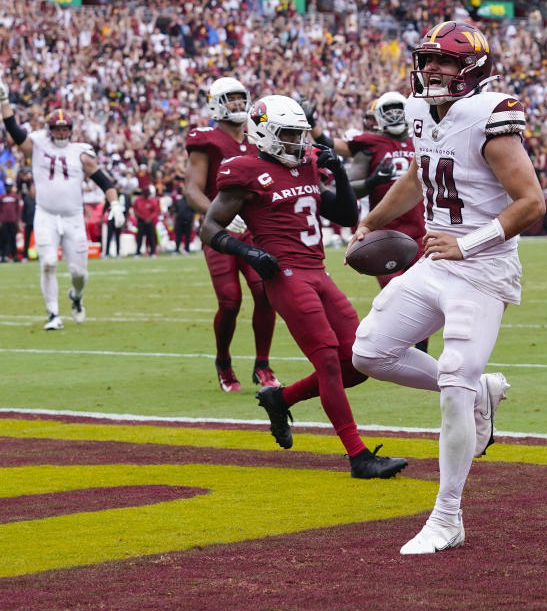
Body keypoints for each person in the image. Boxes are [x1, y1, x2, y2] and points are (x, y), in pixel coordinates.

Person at [347, 21, 546, 553]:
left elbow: (532, 203)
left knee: (454, 385)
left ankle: (447, 517)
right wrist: (374, 218)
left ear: (473, 68)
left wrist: (467, 244)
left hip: (481, 268)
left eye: (446, 62)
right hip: (437, 261)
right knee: (369, 352)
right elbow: (419, 173)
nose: (432, 69)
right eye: (427, 59)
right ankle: (480, 390)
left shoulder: (490, 113)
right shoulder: (418, 109)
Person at [199, 94, 408, 480]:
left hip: (319, 272)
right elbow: (209, 228)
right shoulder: (244, 171)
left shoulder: (308, 164)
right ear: (263, 134)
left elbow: (345, 215)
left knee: (358, 362)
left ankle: (280, 399)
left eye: (300, 135)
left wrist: (341, 174)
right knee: (328, 360)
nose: (298, 143)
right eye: (288, 135)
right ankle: (358, 455)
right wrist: (249, 252)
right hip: (286, 276)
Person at [0, 79, 125, 330]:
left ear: (71, 130)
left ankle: (76, 297)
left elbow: (105, 182)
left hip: (73, 218)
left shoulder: (80, 152)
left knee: (79, 274)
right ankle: (53, 314)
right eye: (57, 129)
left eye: (65, 129)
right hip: (46, 214)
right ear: (50, 129)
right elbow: (15, 131)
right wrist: (5, 101)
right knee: (49, 262)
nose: (61, 133)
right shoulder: (38, 144)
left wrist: (115, 205)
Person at [305, 90, 429, 351]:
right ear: (378, 118)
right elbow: (345, 183)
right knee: (397, 296)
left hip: (422, 233)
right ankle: (389, 348)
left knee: (424, 300)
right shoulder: (371, 145)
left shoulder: (423, 140)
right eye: (389, 110)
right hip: (385, 237)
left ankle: (419, 355)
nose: (395, 115)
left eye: (399, 109)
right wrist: (373, 182)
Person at [185, 77, 279, 392]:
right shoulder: (205, 139)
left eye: (242, 99)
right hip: (221, 232)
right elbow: (191, 189)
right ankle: (223, 361)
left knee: (265, 293)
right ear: (215, 104)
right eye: (231, 100)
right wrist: (216, 213)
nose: (238, 105)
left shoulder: (257, 137)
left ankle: (262, 364)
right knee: (230, 301)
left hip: (254, 230)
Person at [0, 182, 21, 262]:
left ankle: (15, 256)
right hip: (4, 221)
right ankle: (4, 256)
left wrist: (18, 220)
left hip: (13, 221)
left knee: (13, 239)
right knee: (4, 239)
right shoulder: (1, 197)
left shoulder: (15, 197)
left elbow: (18, 210)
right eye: (7, 186)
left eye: (9, 186)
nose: (8, 188)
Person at [132, 185, 159, 257]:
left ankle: (153, 252)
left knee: (151, 237)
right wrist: (136, 214)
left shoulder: (152, 200)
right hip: (141, 221)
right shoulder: (138, 200)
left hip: (150, 222)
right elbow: (134, 208)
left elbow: (156, 211)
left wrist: (150, 218)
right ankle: (138, 253)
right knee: (139, 238)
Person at [172, 184, 195, 254]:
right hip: (179, 221)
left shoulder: (191, 201)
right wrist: (174, 222)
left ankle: (187, 249)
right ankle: (177, 249)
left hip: (188, 221)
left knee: (188, 236)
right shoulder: (178, 201)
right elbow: (175, 212)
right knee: (178, 236)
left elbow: (193, 212)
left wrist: (193, 223)